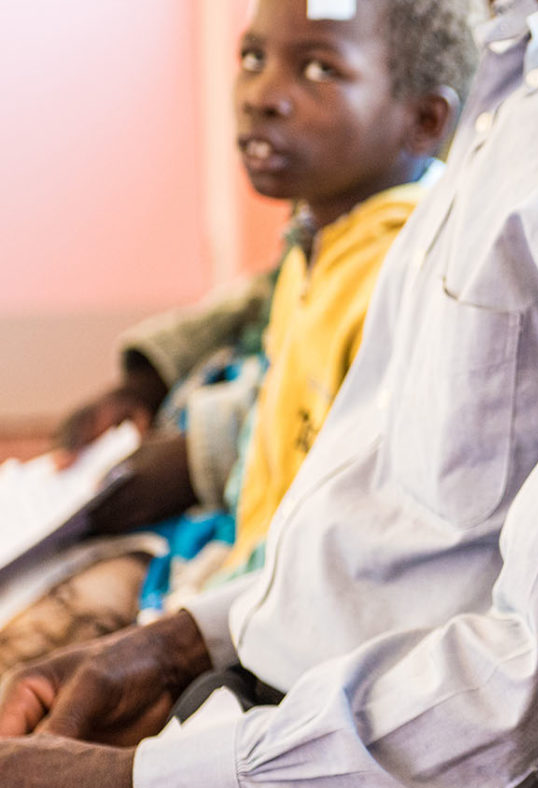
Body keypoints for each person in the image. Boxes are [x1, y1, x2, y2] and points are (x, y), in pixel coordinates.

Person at [0, 0, 538, 785]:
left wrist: (139, 776)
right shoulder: (519, 76)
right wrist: (184, 640)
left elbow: (531, 694)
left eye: (317, 68)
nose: (267, 93)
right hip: (268, 695)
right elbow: (376, 501)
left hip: (333, 748)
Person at [0, 0, 473, 669]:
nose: (262, 97)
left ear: (423, 120)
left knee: (32, 655)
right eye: (253, 59)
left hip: (291, 620)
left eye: (318, 68)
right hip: (244, 563)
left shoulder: (398, 269)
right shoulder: (324, 240)